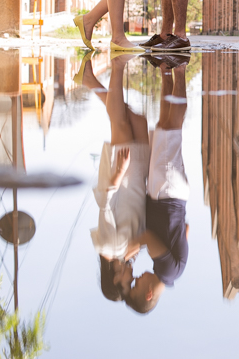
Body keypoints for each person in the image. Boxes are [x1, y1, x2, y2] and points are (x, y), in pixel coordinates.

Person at [78, 50, 151, 301]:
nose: (132, 279)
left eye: (126, 284)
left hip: (121, 177)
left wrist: (119, 172)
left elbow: (104, 207)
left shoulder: (107, 248)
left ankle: (117, 61)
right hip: (138, 179)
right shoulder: (126, 253)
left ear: (114, 279)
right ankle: (91, 81)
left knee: (119, 122)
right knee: (137, 120)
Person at [121, 56, 190, 314]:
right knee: (172, 127)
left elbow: (186, 229)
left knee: (163, 125)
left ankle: (167, 72)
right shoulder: (165, 270)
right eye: (137, 286)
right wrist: (133, 246)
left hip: (171, 195)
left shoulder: (174, 271)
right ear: (149, 294)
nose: (137, 279)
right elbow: (149, 237)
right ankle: (180, 69)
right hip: (166, 193)